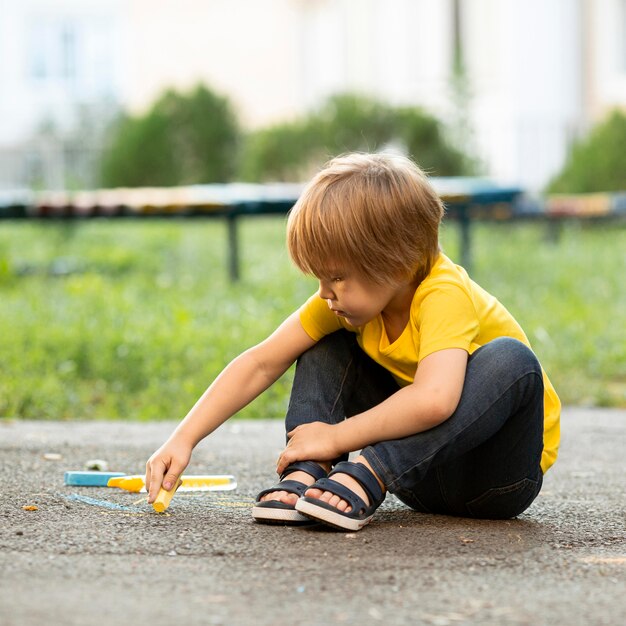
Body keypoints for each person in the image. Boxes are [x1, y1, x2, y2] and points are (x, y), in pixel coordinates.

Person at [145, 152, 560, 532]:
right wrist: (183, 438)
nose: (325, 292)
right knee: (323, 340)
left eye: (337, 277)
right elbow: (261, 362)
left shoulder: (444, 293)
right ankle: (306, 470)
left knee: (513, 360)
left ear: (396, 261)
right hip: (417, 477)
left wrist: (339, 439)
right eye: (320, 278)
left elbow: (435, 399)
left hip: (492, 479)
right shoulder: (349, 301)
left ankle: (369, 471)